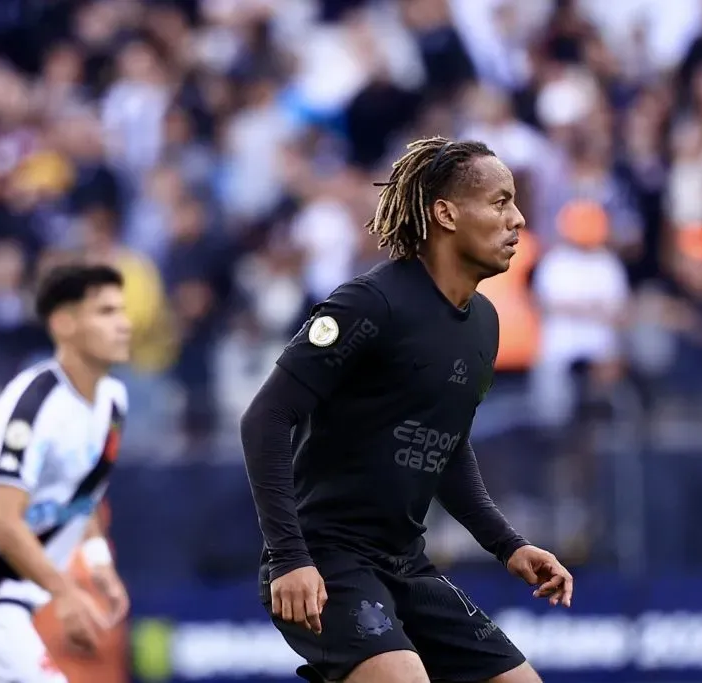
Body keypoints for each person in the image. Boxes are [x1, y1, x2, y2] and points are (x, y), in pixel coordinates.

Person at [241, 137, 572, 683]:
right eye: (499, 202)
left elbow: (444, 443)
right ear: (445, 213)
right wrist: (288, 557)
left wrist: (508, 544)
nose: (517, 219)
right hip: (326, 558)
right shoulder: (370, 303)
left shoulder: (484, 323)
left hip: (404, 563)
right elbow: (266, 417)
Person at [0, 264, 133, 683]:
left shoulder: (113, 401)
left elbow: (80, 497)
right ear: (64, 323)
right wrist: (65, 591)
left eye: (121, 311)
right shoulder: (33, 405)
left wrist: (98, 562)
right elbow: (3, 523)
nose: (123, 324)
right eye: (106, 312)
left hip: (10, 593)